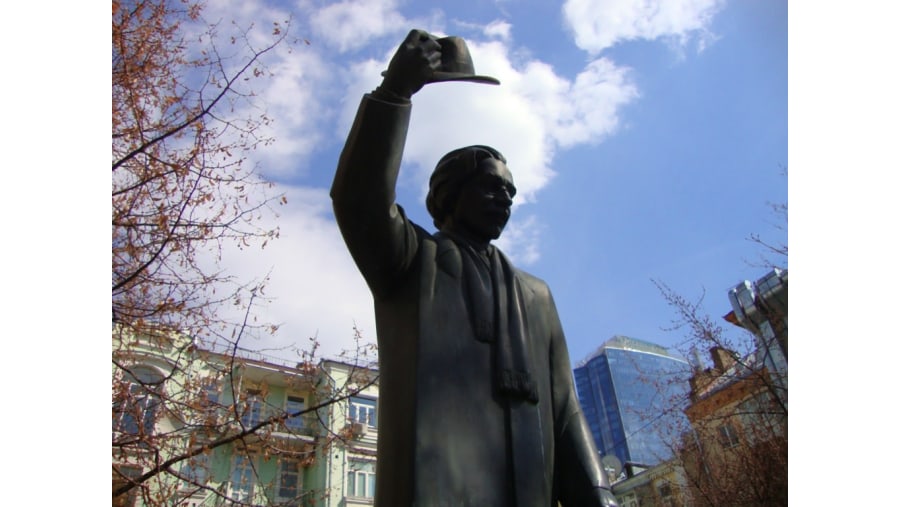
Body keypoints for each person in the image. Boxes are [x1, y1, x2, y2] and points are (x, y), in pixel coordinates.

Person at [331, 29, 618, 507]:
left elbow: (565, 408)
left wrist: (597, 492)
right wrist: (395, 92)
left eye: (510, 192)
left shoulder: (536, 295)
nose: (504, 198)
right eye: (490, 187)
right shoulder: (411, 262)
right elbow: (359, 199)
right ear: (448, 194)